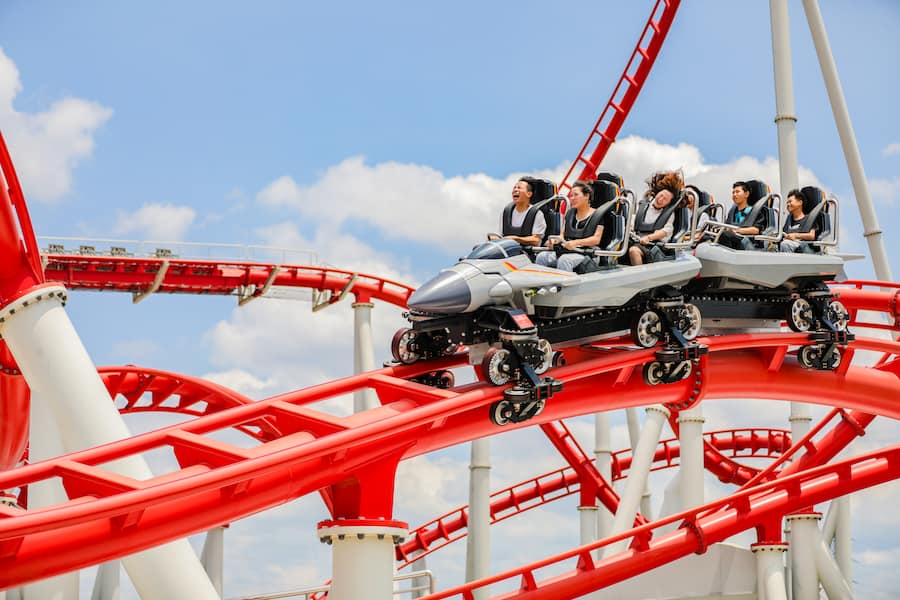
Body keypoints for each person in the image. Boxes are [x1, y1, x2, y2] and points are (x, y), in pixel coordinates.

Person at [536, 181, 603, 271]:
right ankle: (541, 283)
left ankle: (563, 284)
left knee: (565, 260)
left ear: (587, 196)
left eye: (576, 195)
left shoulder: (597, 215)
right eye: (571, 195)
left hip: (587, 253)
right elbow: (562, 235)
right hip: (568, 250)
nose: (572, 198)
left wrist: (576, 243)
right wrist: (554, 241)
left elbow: (596, 239)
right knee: (542, 257)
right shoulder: (570, 213)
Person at [627, 170, 683, 266]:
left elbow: (666, 231)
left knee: (634, 251)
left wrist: (649, 238)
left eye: (665, 199)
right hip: (636, 239)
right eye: (661, 195)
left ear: (668, 203)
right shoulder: (643, 206)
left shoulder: (669, 214)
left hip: (654, 245)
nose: (661, 199)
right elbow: (633, 221)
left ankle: (640, 278)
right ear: (657, 193)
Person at [717, 181, 766, 250]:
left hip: (747, 241)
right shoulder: (732, 212)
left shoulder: (755, 211)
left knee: (725, 235)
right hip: (733, 240)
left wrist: (737, 230)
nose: (734, 194)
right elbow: (727, 226)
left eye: (737, 192)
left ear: (746, 194)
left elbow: (756, 230)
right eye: (733, 192)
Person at [498, 178, 547, 247]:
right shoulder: (505, 212)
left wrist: (516, 239)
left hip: (527, 253)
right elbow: (501, 235)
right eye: (514, 188)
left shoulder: (537, 214)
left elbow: (536, 240)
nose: (515, 190)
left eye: (519, 188)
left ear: (529, 194)